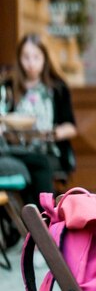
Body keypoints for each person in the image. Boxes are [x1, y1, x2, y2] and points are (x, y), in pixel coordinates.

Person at [1, 33, 78, 203]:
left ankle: (34, 220)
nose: (31, 63)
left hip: (48, 150)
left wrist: (51, 134)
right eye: (26, 57)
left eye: (36, 57)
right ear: (19, 59)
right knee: (28, 166)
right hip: (17, 149)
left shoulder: (57, 87)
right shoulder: (9, 86)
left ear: (45, 58)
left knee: (34, 166)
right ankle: (39, 221)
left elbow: (71, 127)